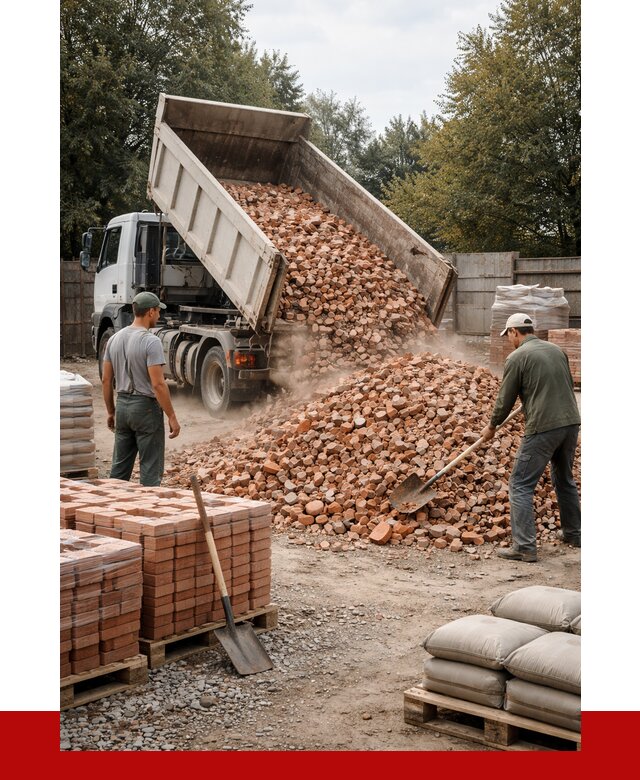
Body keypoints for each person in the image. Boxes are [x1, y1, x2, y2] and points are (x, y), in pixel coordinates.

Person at [480, 312, 581, 562]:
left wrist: (492, 426)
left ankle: (524, 546)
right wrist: (530, 401)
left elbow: (505, 399)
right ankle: (574, 534)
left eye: (509, 336)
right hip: (570, 423)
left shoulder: (517, 357)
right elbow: (562, 385)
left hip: (544, 427)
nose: (509, 341)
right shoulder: (556, 350)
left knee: (520, 484)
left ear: (514, 331)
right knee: (564, 478)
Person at [102, 291, 180, 486]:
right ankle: (148, 514)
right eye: (158, 312)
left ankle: (114, 511)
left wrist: (111, 412)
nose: (160, 316)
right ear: (151, 312)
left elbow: (105, 380)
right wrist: (171, 415)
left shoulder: (114, 339)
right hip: (145, 409)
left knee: (118, 472)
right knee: (150, 473)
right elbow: (158, 384)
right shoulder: (150, 341)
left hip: (122, 407)